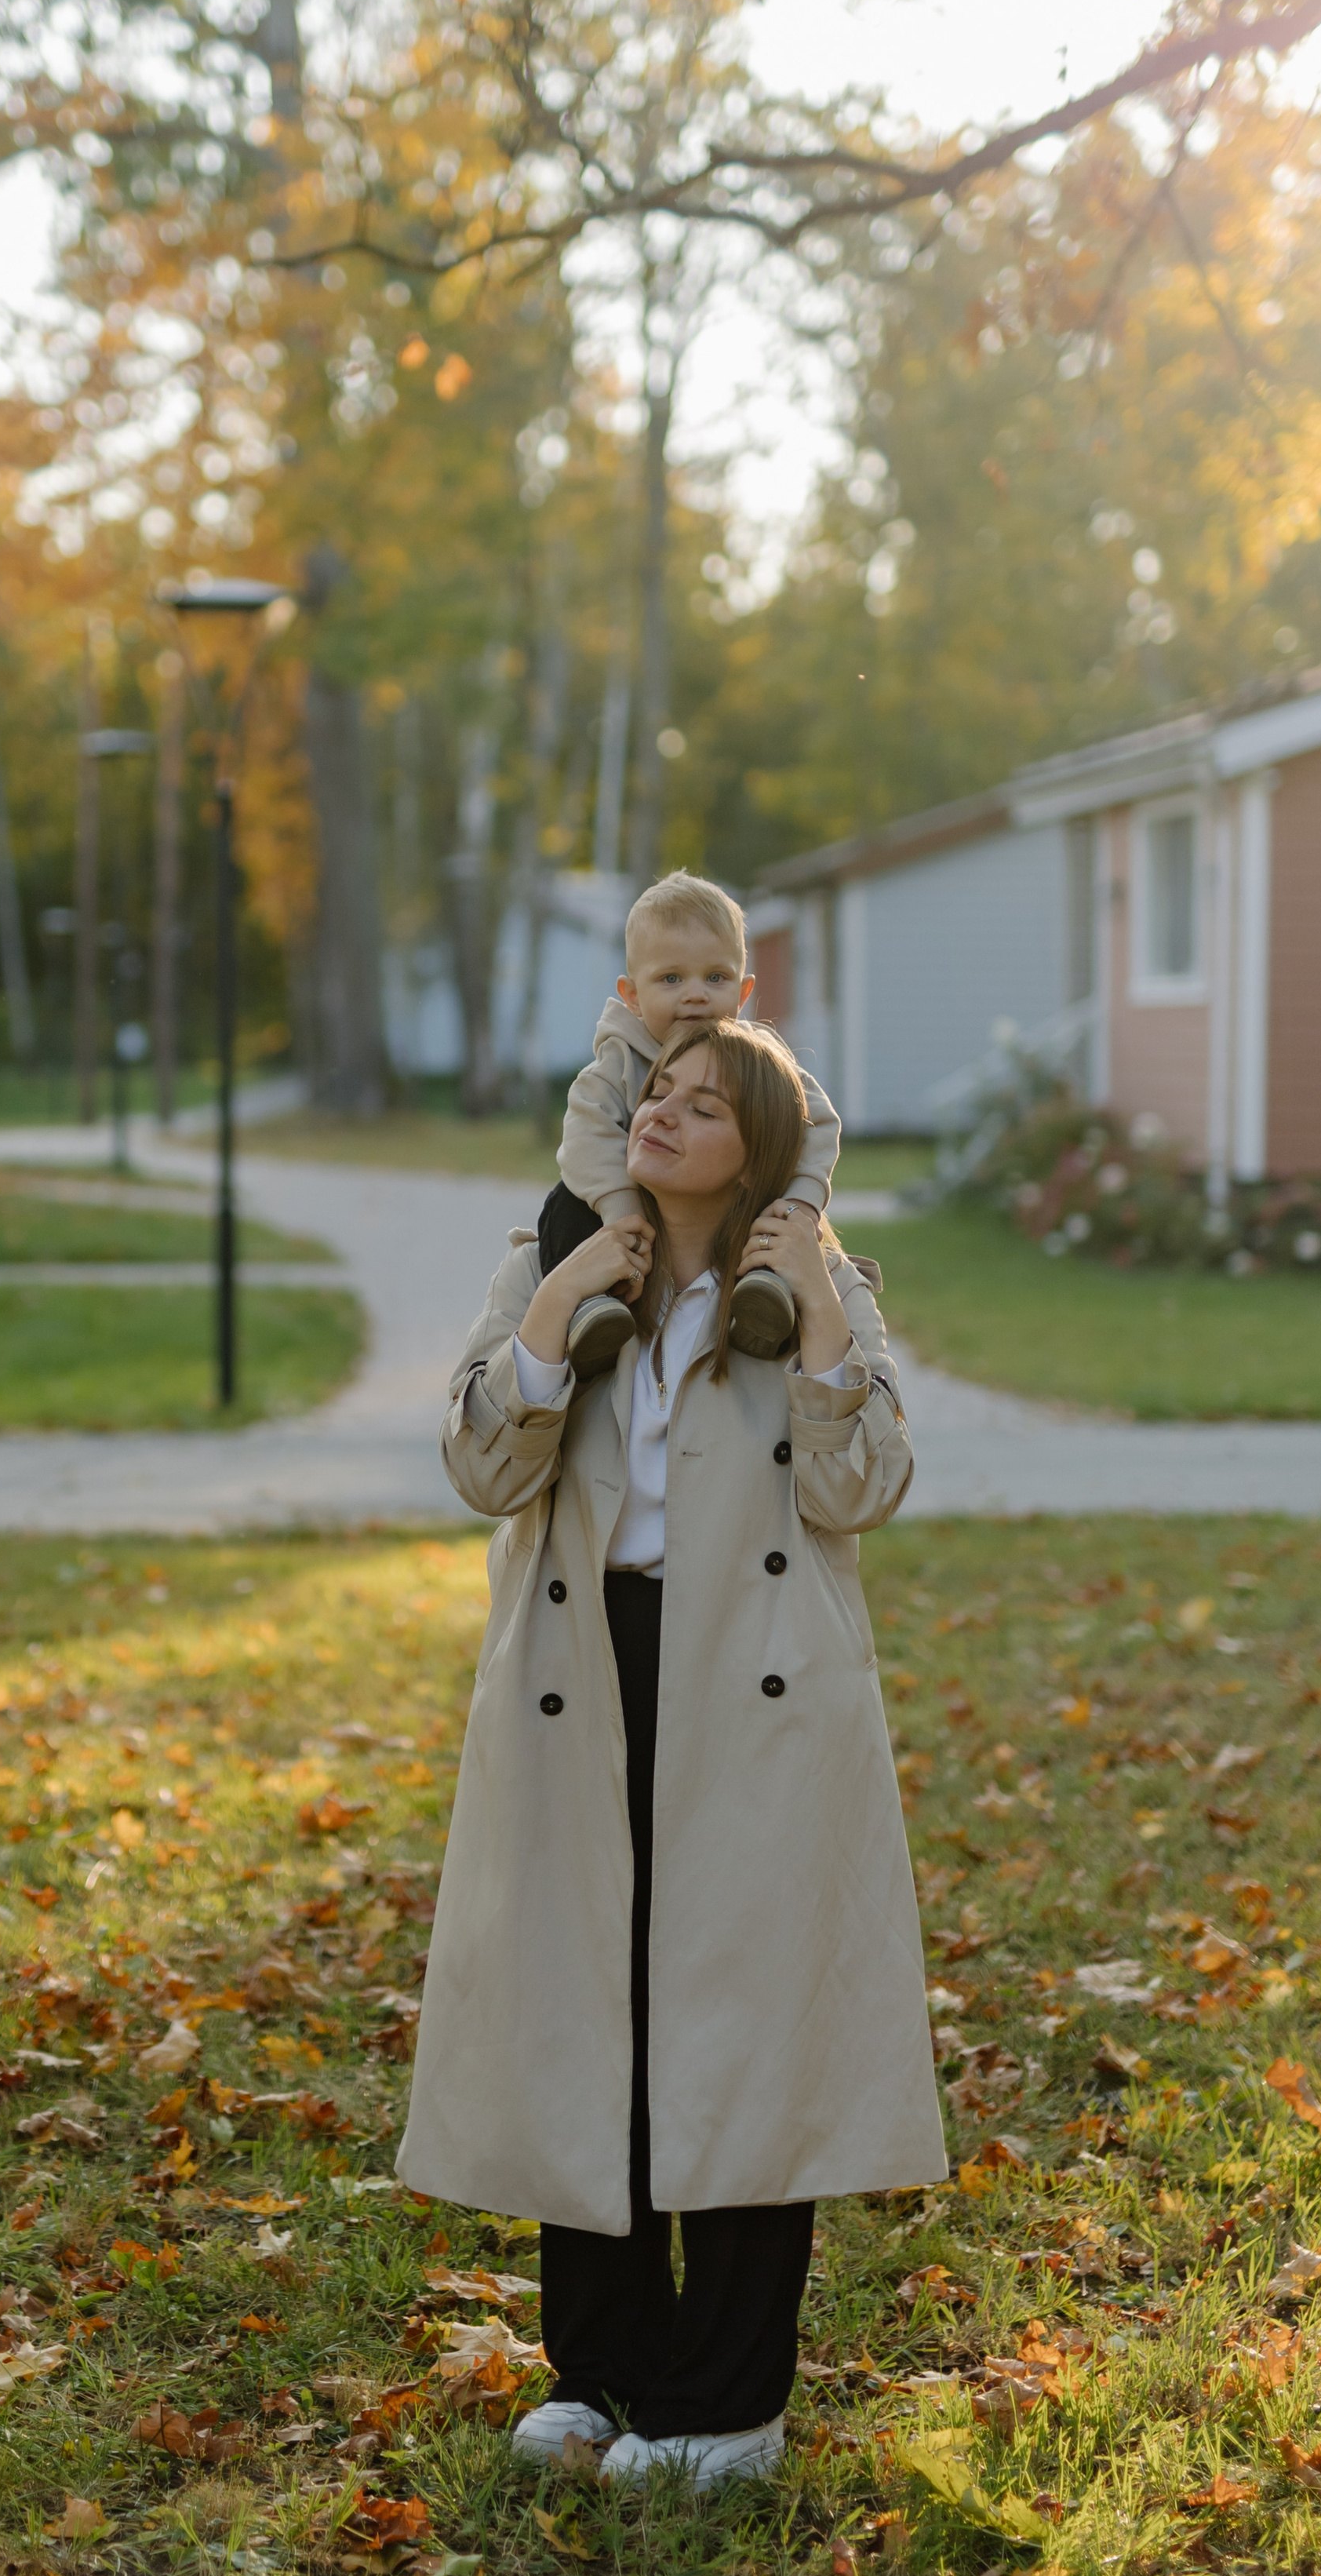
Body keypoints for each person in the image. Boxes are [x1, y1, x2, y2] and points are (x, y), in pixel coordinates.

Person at [397, 1017, 944, 2491]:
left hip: (757, 1701)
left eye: (706, 1105)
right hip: (583, 1683)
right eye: (658, 1090)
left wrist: (823, 1310)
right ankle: (602, 2373)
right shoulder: (556, 1267)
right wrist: (562, 1297)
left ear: (757, 1153)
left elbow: (863, 1484)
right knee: (590, 2015)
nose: (664, 1114)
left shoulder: (819, 1291)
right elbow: (480, 1467)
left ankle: (731, 2404)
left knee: (748, 2034)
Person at [540, 869, 841, 1379]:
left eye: (716, 978)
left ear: (744, 991)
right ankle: (594, 1308)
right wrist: (619, 1210)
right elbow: (586, 1137)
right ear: (633, 995)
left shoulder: (758, 1063)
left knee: (770, 1226)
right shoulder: (617, 1061)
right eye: (671, 979)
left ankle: (766, 1297)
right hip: (622, 1209)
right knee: (565, 1205)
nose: (696, 995)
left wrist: (802, 1206)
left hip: (731, 1210)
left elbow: (818, 1123)